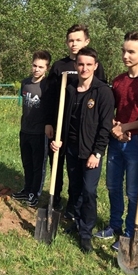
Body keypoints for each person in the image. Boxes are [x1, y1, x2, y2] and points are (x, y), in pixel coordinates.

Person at [93, 32, 138, 251]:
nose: (126, 55)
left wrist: (127, 127)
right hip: (117, 140)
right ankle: (114, 225)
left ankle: (130, 232)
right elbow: (111, 110)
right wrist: (116, 127)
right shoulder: (118, 81)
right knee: (113, 185)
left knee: (133, 191)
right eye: (124, 51)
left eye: (131, 51)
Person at [49, 47, 114, 253]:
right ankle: (76, 223)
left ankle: (86, 233)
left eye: (88, 64)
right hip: (71, 149)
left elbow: (105, 126)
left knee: (89, 191)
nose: (84, 68)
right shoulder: (69, 89)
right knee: (75, 189)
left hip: (91, 152)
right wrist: (60, 141)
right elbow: (64, 120)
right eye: (80, 64)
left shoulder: (103, 92)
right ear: (76, 66)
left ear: (95, 66)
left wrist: (97, 153)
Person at [45, 24, 106, 214]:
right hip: (59, 125)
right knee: (57, 162)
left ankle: (74, 207)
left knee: (76, 171)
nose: (74, 43)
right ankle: (54, 200)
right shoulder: (59, 66)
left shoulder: (96, 66)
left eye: (78, 40)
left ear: (86, 41)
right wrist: (49, 122)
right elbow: (50, 96)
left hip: (82, 129)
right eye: (71, 40)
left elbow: (101, 95)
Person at [12, 50, 52, 208]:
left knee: (38, 165)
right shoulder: (25, 83)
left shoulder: (47, 86)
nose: (37, 69)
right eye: (35, 65)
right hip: (25, 130)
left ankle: (35, 193)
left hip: (40, 133)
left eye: (41, 67)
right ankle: (26, 189)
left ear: (46, 68)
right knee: (26, 162)